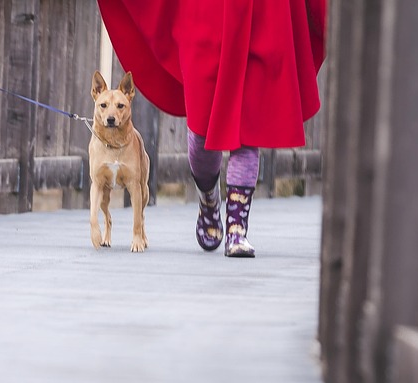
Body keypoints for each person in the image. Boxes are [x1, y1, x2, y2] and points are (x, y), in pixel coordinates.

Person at [96, 0, 326, 258]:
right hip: (205, 16)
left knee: (249, 126)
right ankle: (208, 199)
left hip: (264, 14)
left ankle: (237, 230)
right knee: (202, 129)